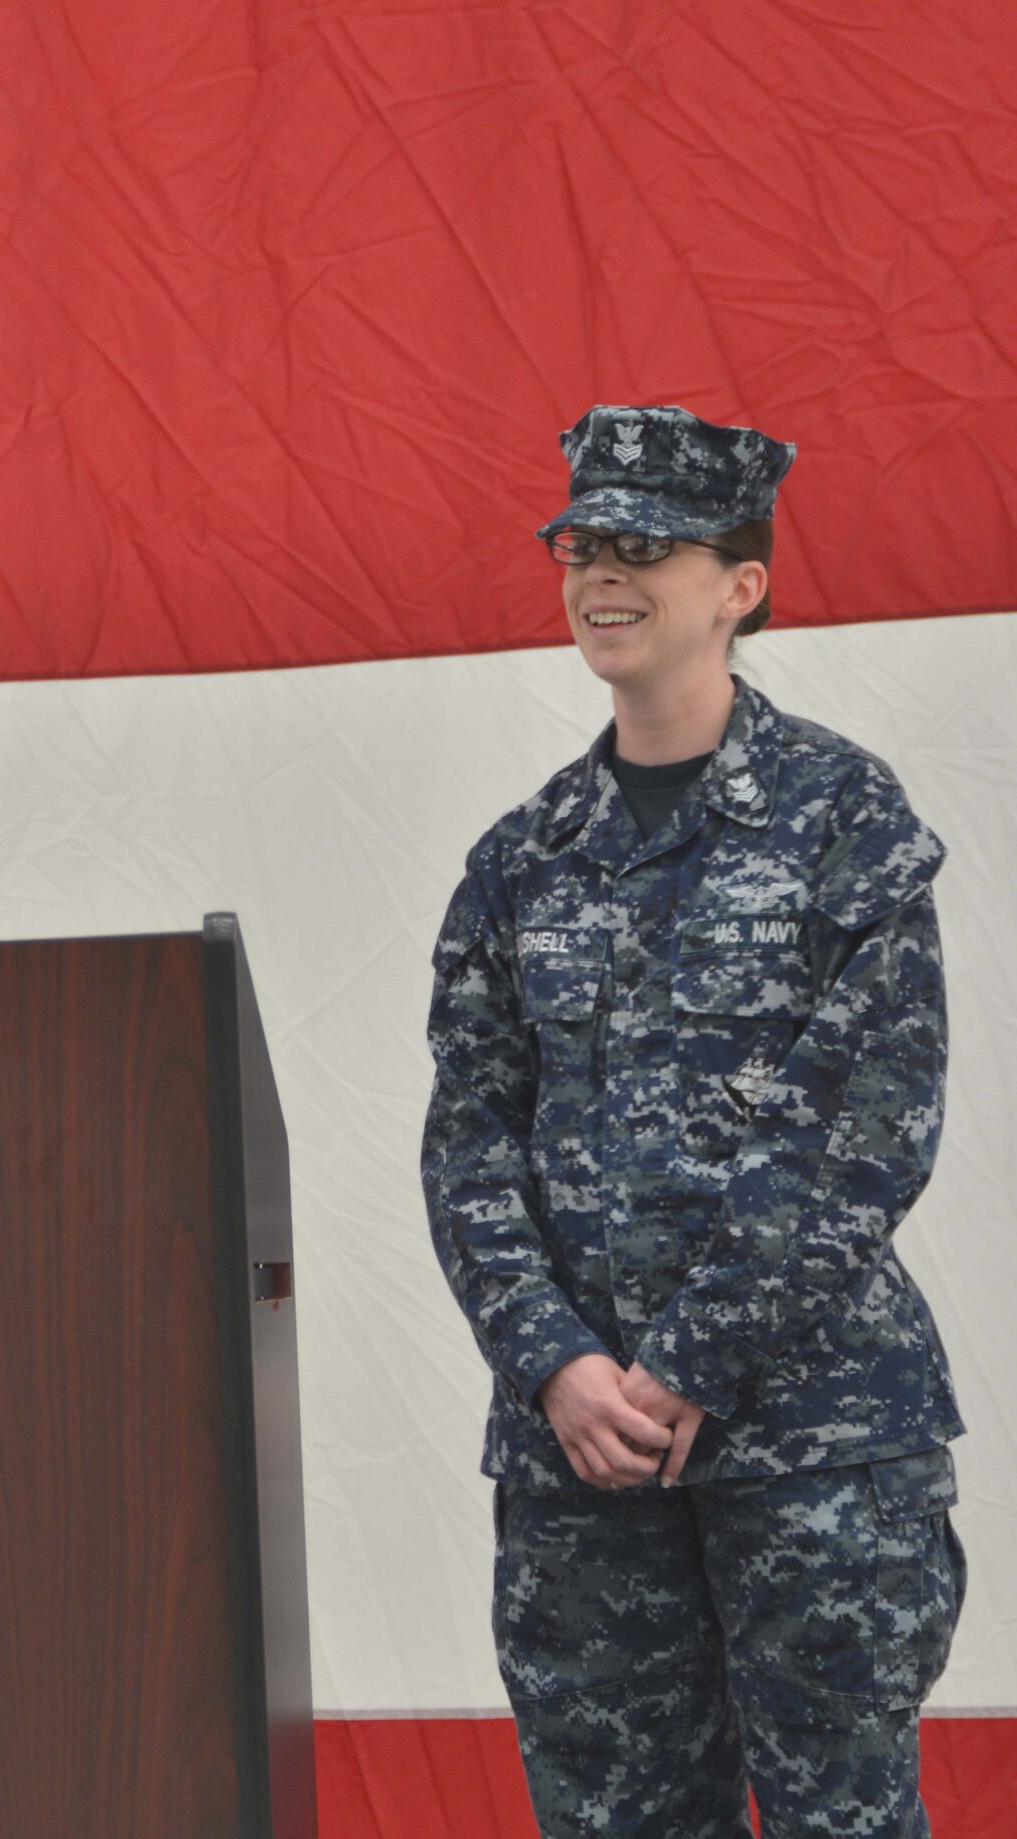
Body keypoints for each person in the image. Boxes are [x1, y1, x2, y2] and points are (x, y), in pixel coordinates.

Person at [421, 405, 966, 1837]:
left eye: (645, 548)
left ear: (741, 586)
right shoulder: (522, 860)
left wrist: (687, 1364)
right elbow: (470, 1142)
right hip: (582, 1461)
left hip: (813, 1438)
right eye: (582, 547)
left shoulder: (841, 816)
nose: (603, 575)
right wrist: (556, 1365)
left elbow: (863, 1128)